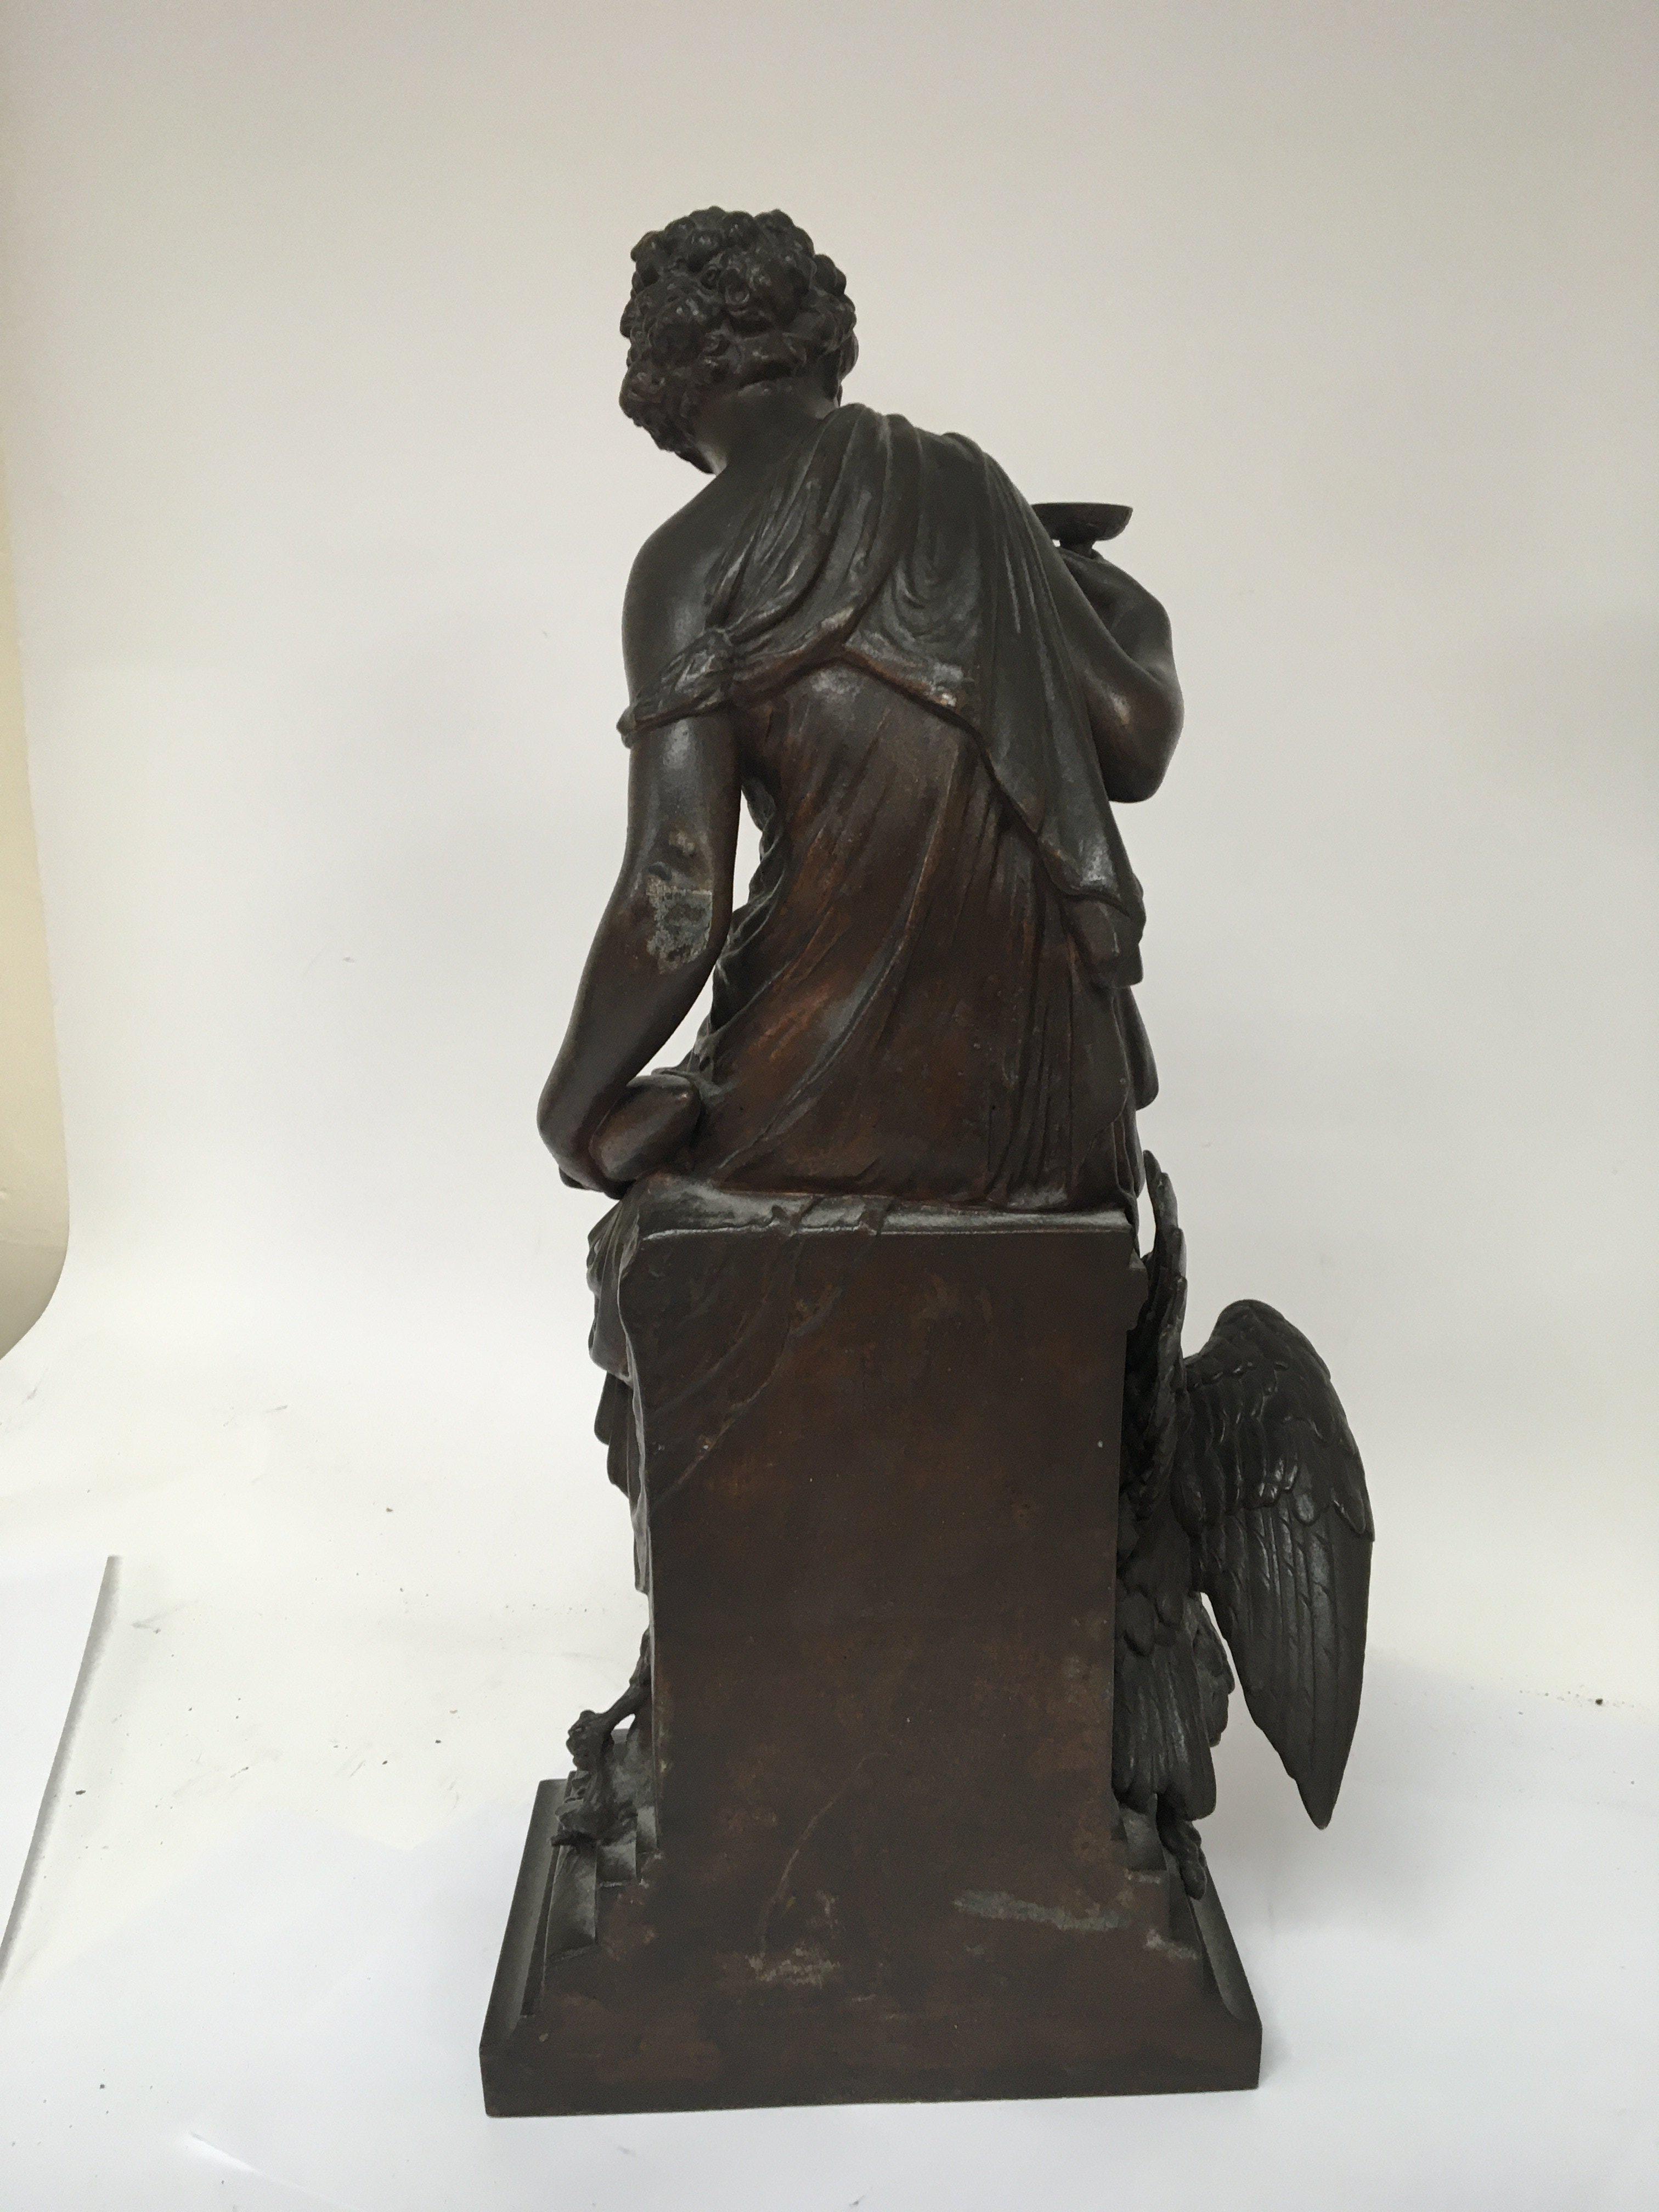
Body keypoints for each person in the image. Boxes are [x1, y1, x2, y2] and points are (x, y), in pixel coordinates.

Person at [539, 207, 1182, 1241]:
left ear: (663, 383)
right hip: (1052, 1111)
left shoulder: (688, 566)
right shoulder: (977, 493)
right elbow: (1137, 742)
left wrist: (572, 1118)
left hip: (828, 1098)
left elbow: (678, 890)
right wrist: (1131, 611)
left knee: (672, 1173)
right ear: (824, 342)